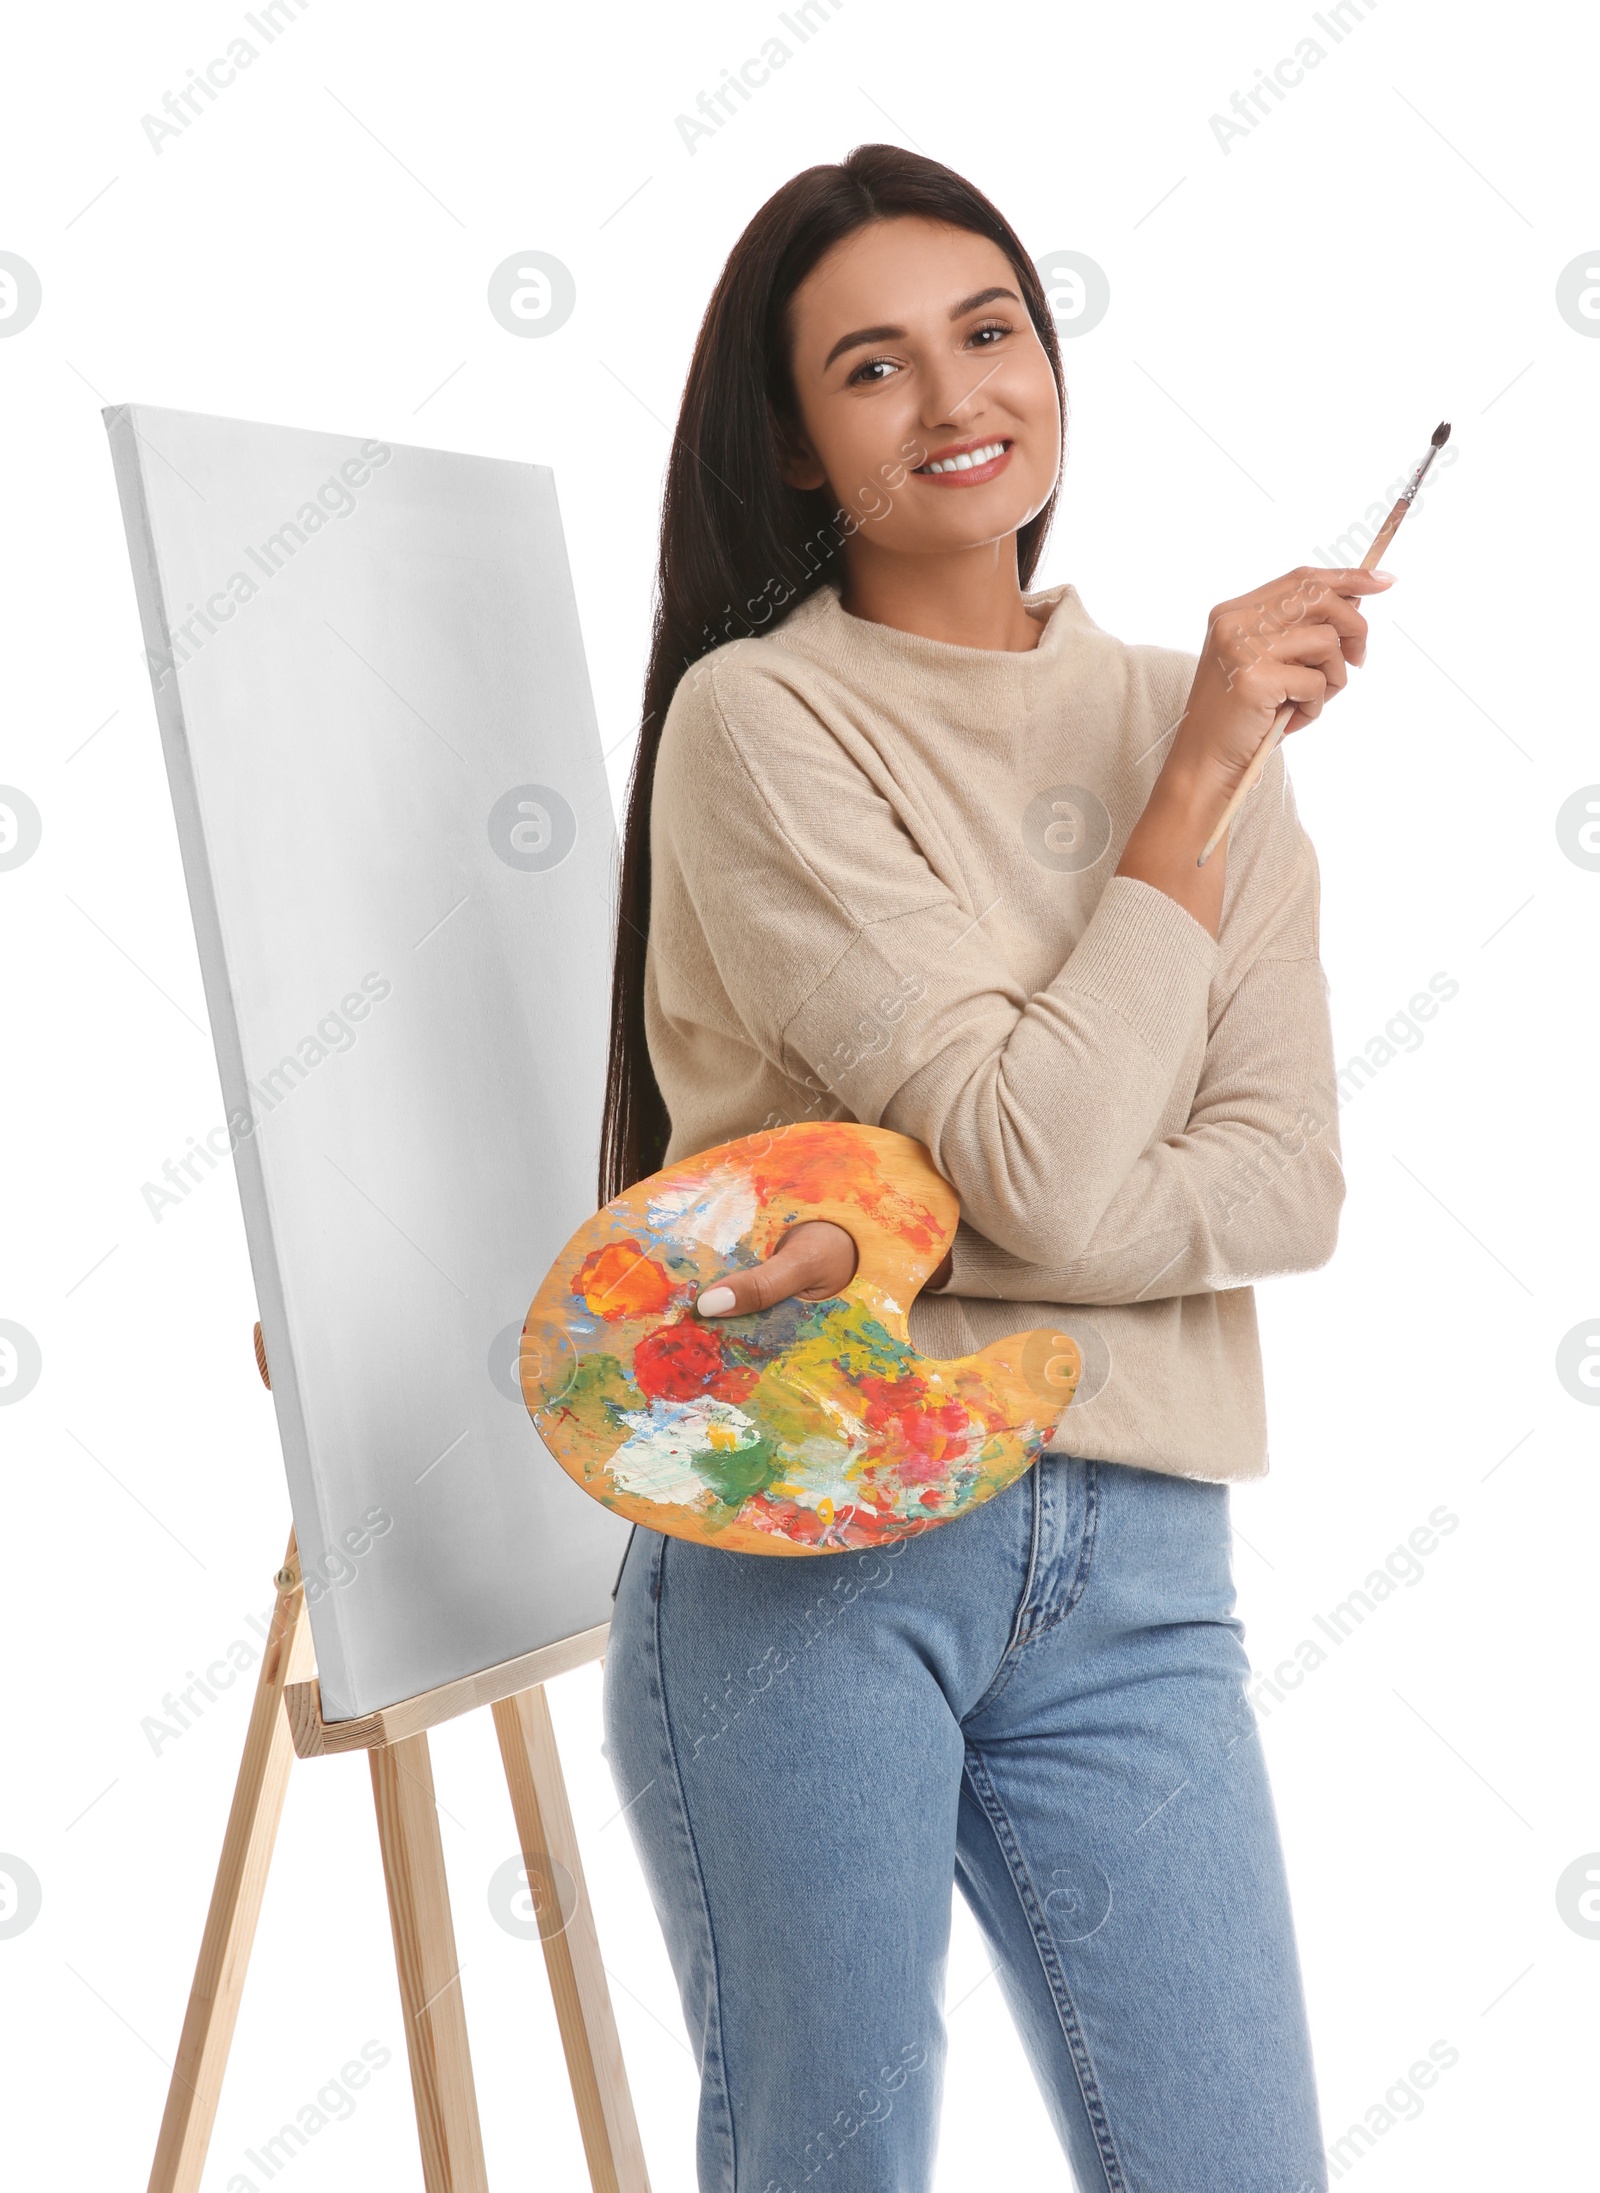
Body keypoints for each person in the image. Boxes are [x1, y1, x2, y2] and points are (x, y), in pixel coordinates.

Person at [598, 141, 1380, 2193]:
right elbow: (1032, 1149)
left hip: (1138, 1565)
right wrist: (1197, 779)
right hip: (818, 1545)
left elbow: (1285, 1179)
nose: (956, 404)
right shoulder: (760, 728)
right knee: (827, 2160)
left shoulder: (1178, 702)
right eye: (871, 367)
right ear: (785, 441)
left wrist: (972, 1227)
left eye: (989, 331)